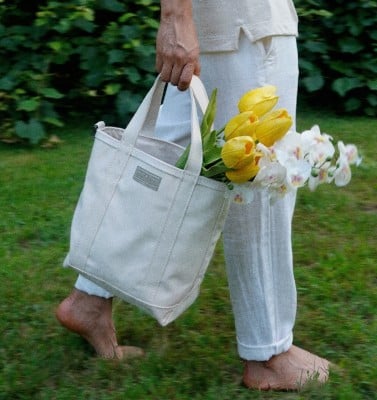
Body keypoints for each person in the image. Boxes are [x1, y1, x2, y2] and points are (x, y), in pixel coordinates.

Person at [56, 0, 331, 390]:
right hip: (243, 23)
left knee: (163, 168)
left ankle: (90, 300)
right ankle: (269, 353)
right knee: (260, 179)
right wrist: (174, 18)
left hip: (225, 24)